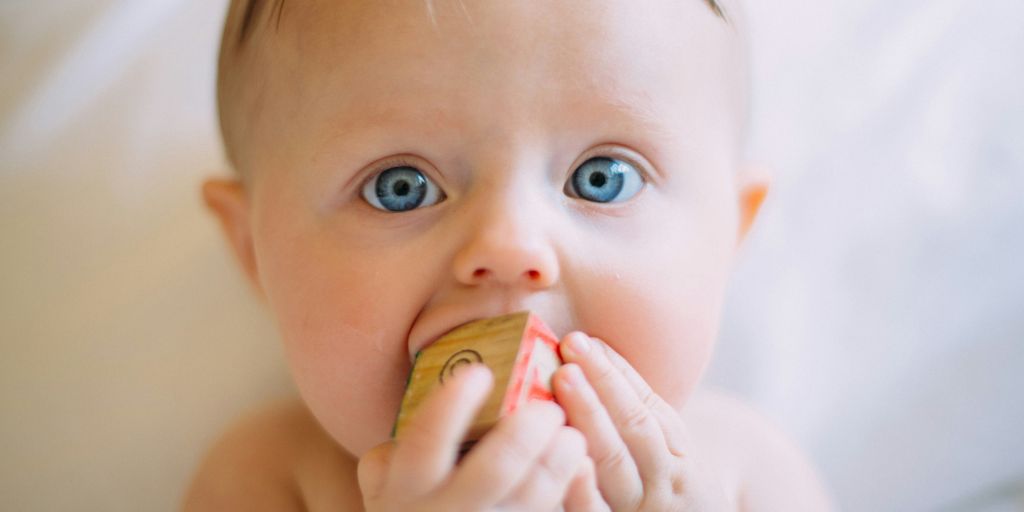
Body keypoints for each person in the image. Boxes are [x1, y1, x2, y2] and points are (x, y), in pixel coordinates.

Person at [185, 0, 835, 509]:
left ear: (729, 236)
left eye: (602, 177)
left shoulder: (746, 475)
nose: (509, 246)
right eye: (400, 189)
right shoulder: (267, 481)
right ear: (254, 251)